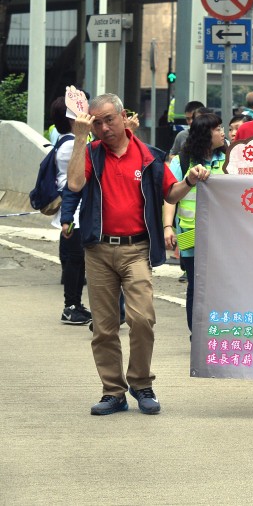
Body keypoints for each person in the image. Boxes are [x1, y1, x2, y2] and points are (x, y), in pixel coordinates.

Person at [66, 93, 207, 416]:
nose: (104, 128)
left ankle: (142, 383)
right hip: (98, 249)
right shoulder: (90, 152)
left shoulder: (149, 157)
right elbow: (74, 185)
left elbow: (170, 193)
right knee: (104, 327)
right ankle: (113, 391)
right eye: (96, 123)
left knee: (142, 318)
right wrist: (79, 139)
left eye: (109, 120)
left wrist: (189, 180)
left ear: (122, 116)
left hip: (136, 248)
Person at [162, 112, 226, 332]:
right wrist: (168, 227)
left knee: (220, 286)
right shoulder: (182, 161)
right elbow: (170, 196)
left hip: (222, 236)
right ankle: (196, 335)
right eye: (217, 129)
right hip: (191, 234)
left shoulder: (227, 158)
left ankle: (216, 331)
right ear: (205, 135)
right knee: (196, 286)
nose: (222, 132)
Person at [50, 97, 90, 325]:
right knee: (75, 261)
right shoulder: (70, 145)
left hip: (73, 213)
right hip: (73, 214)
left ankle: (75, 305)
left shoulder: (69, 141)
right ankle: (70, 306)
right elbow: (77, 182)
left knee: (77, 261)